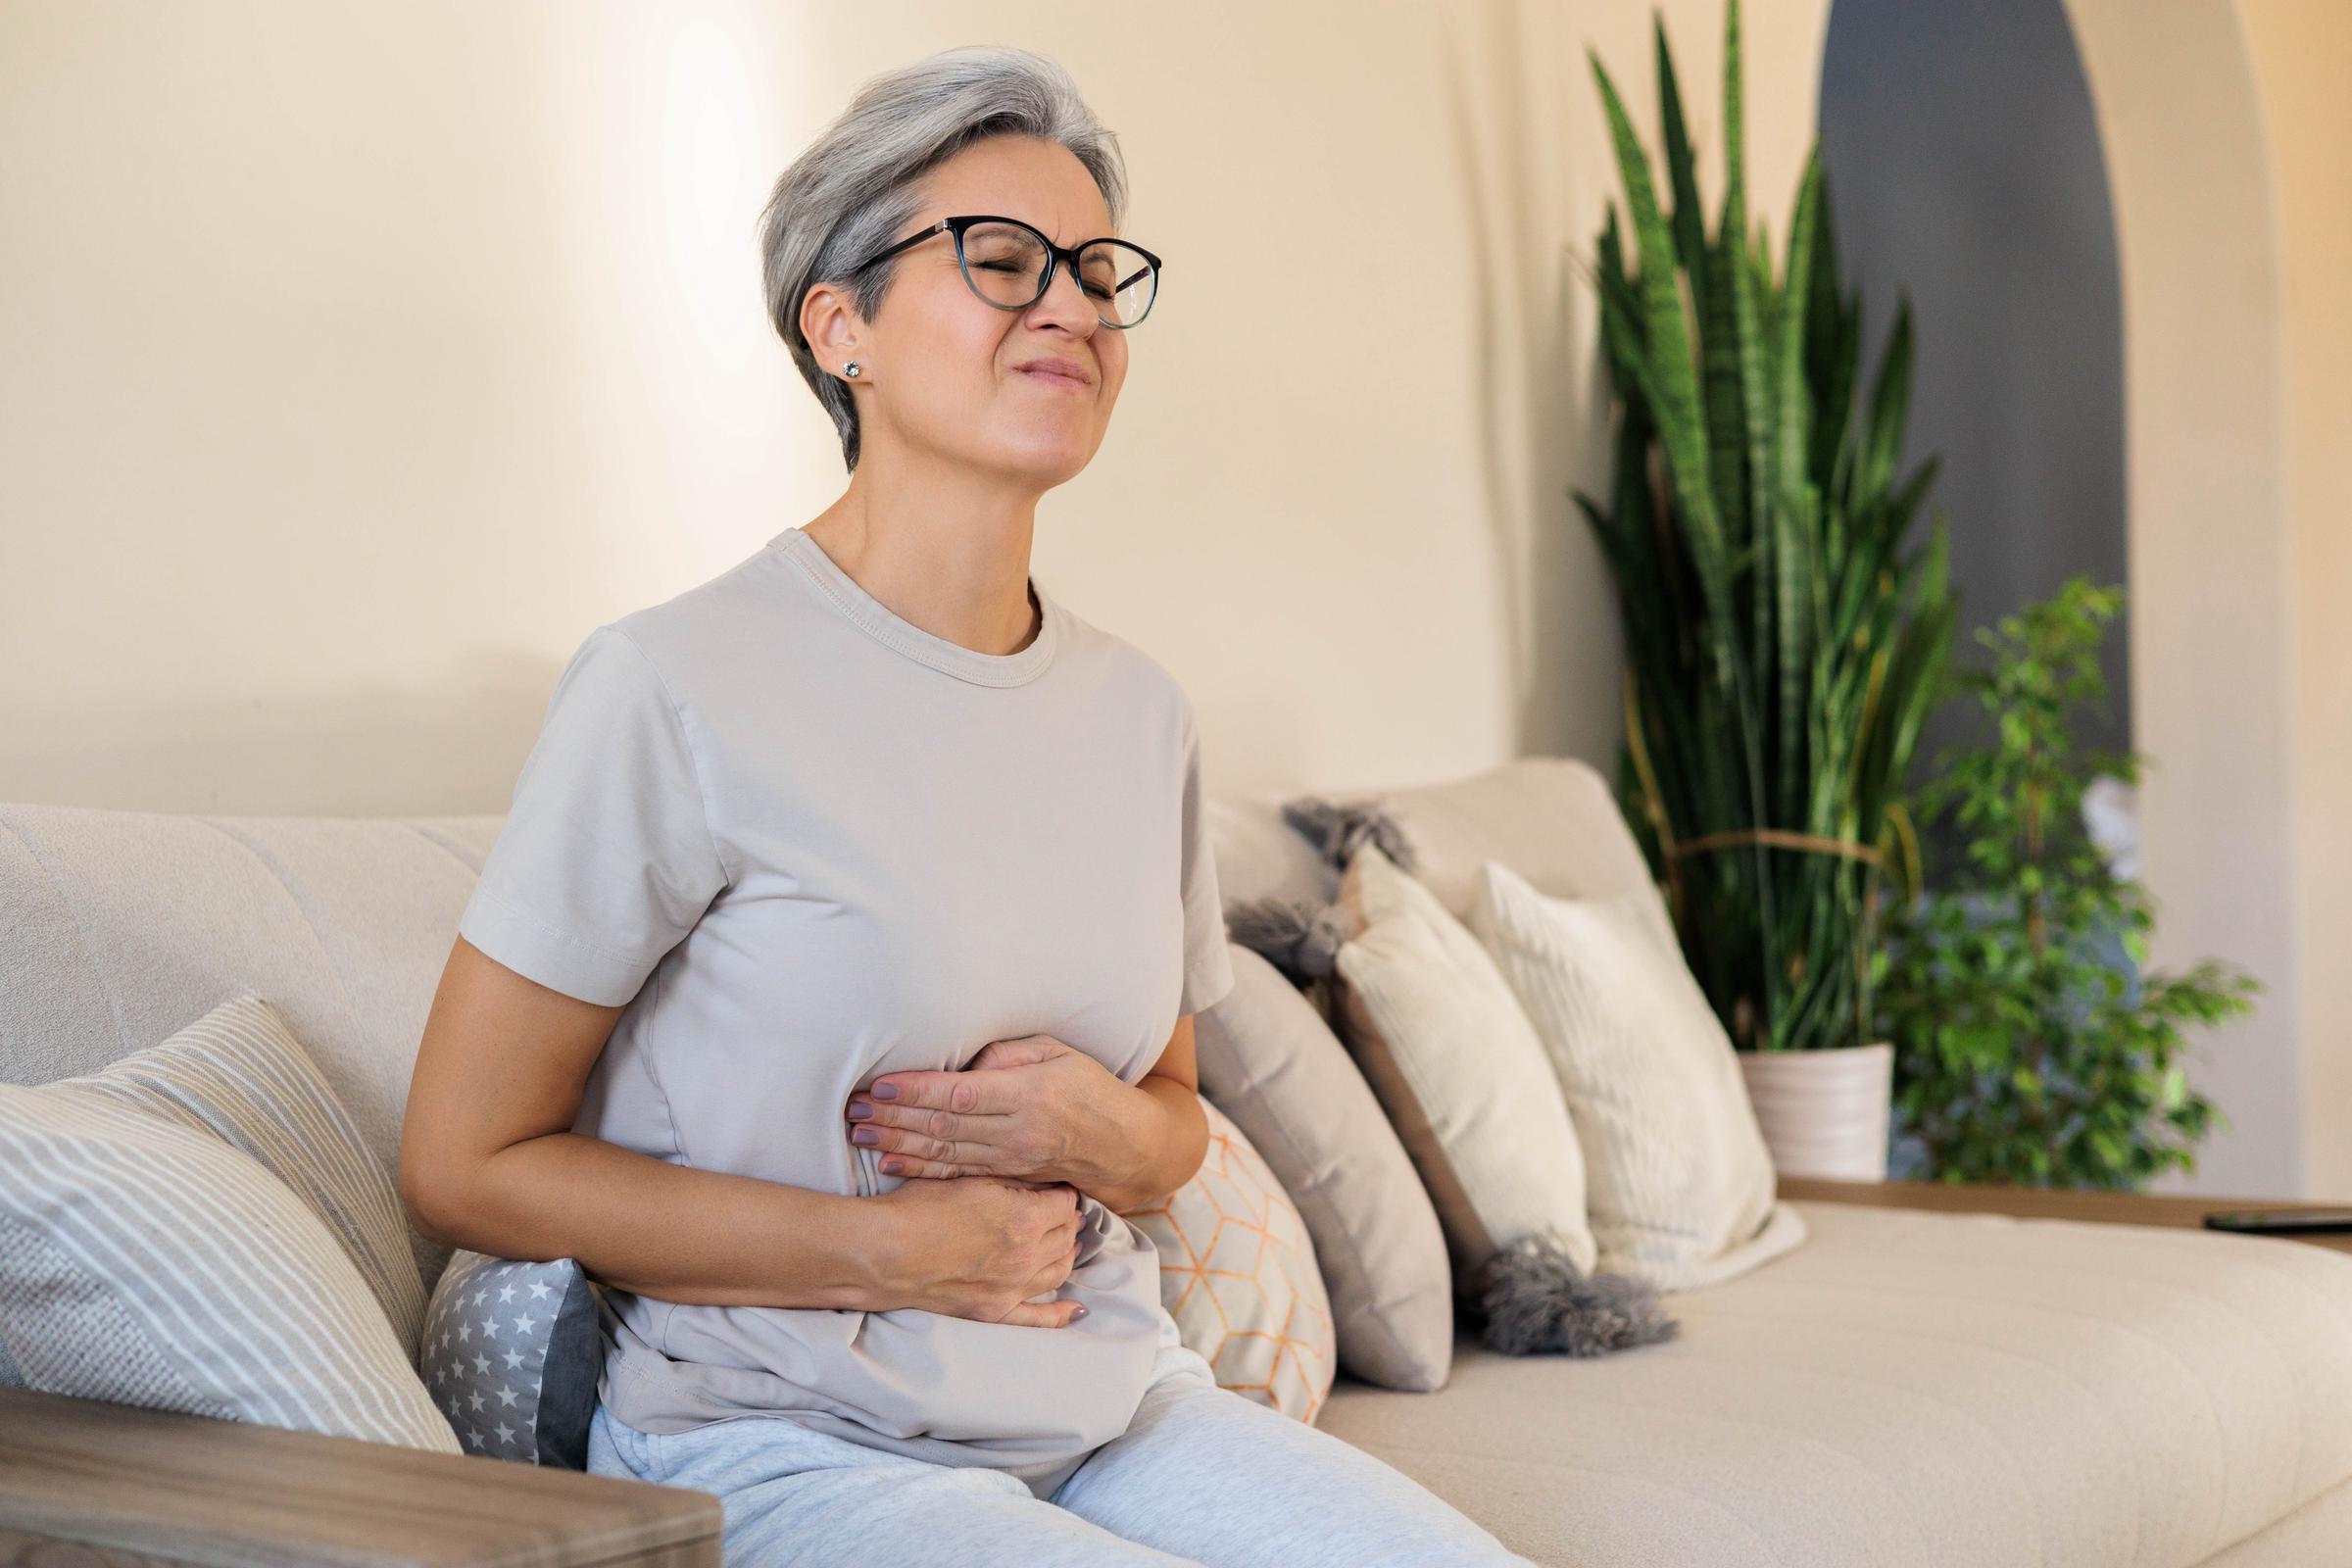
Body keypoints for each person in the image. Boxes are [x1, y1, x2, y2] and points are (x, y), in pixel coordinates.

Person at [400, 42, 1536, 1568]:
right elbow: (465, 1161)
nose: (1070, 303)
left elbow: (1175, 1120)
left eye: (1094, 270)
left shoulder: (1137, 714)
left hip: (1117, 1407)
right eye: (1000, 260)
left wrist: (1099, 1131)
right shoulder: (672, 686)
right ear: (840, 323)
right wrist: (883, 1249)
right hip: (778, 1440)